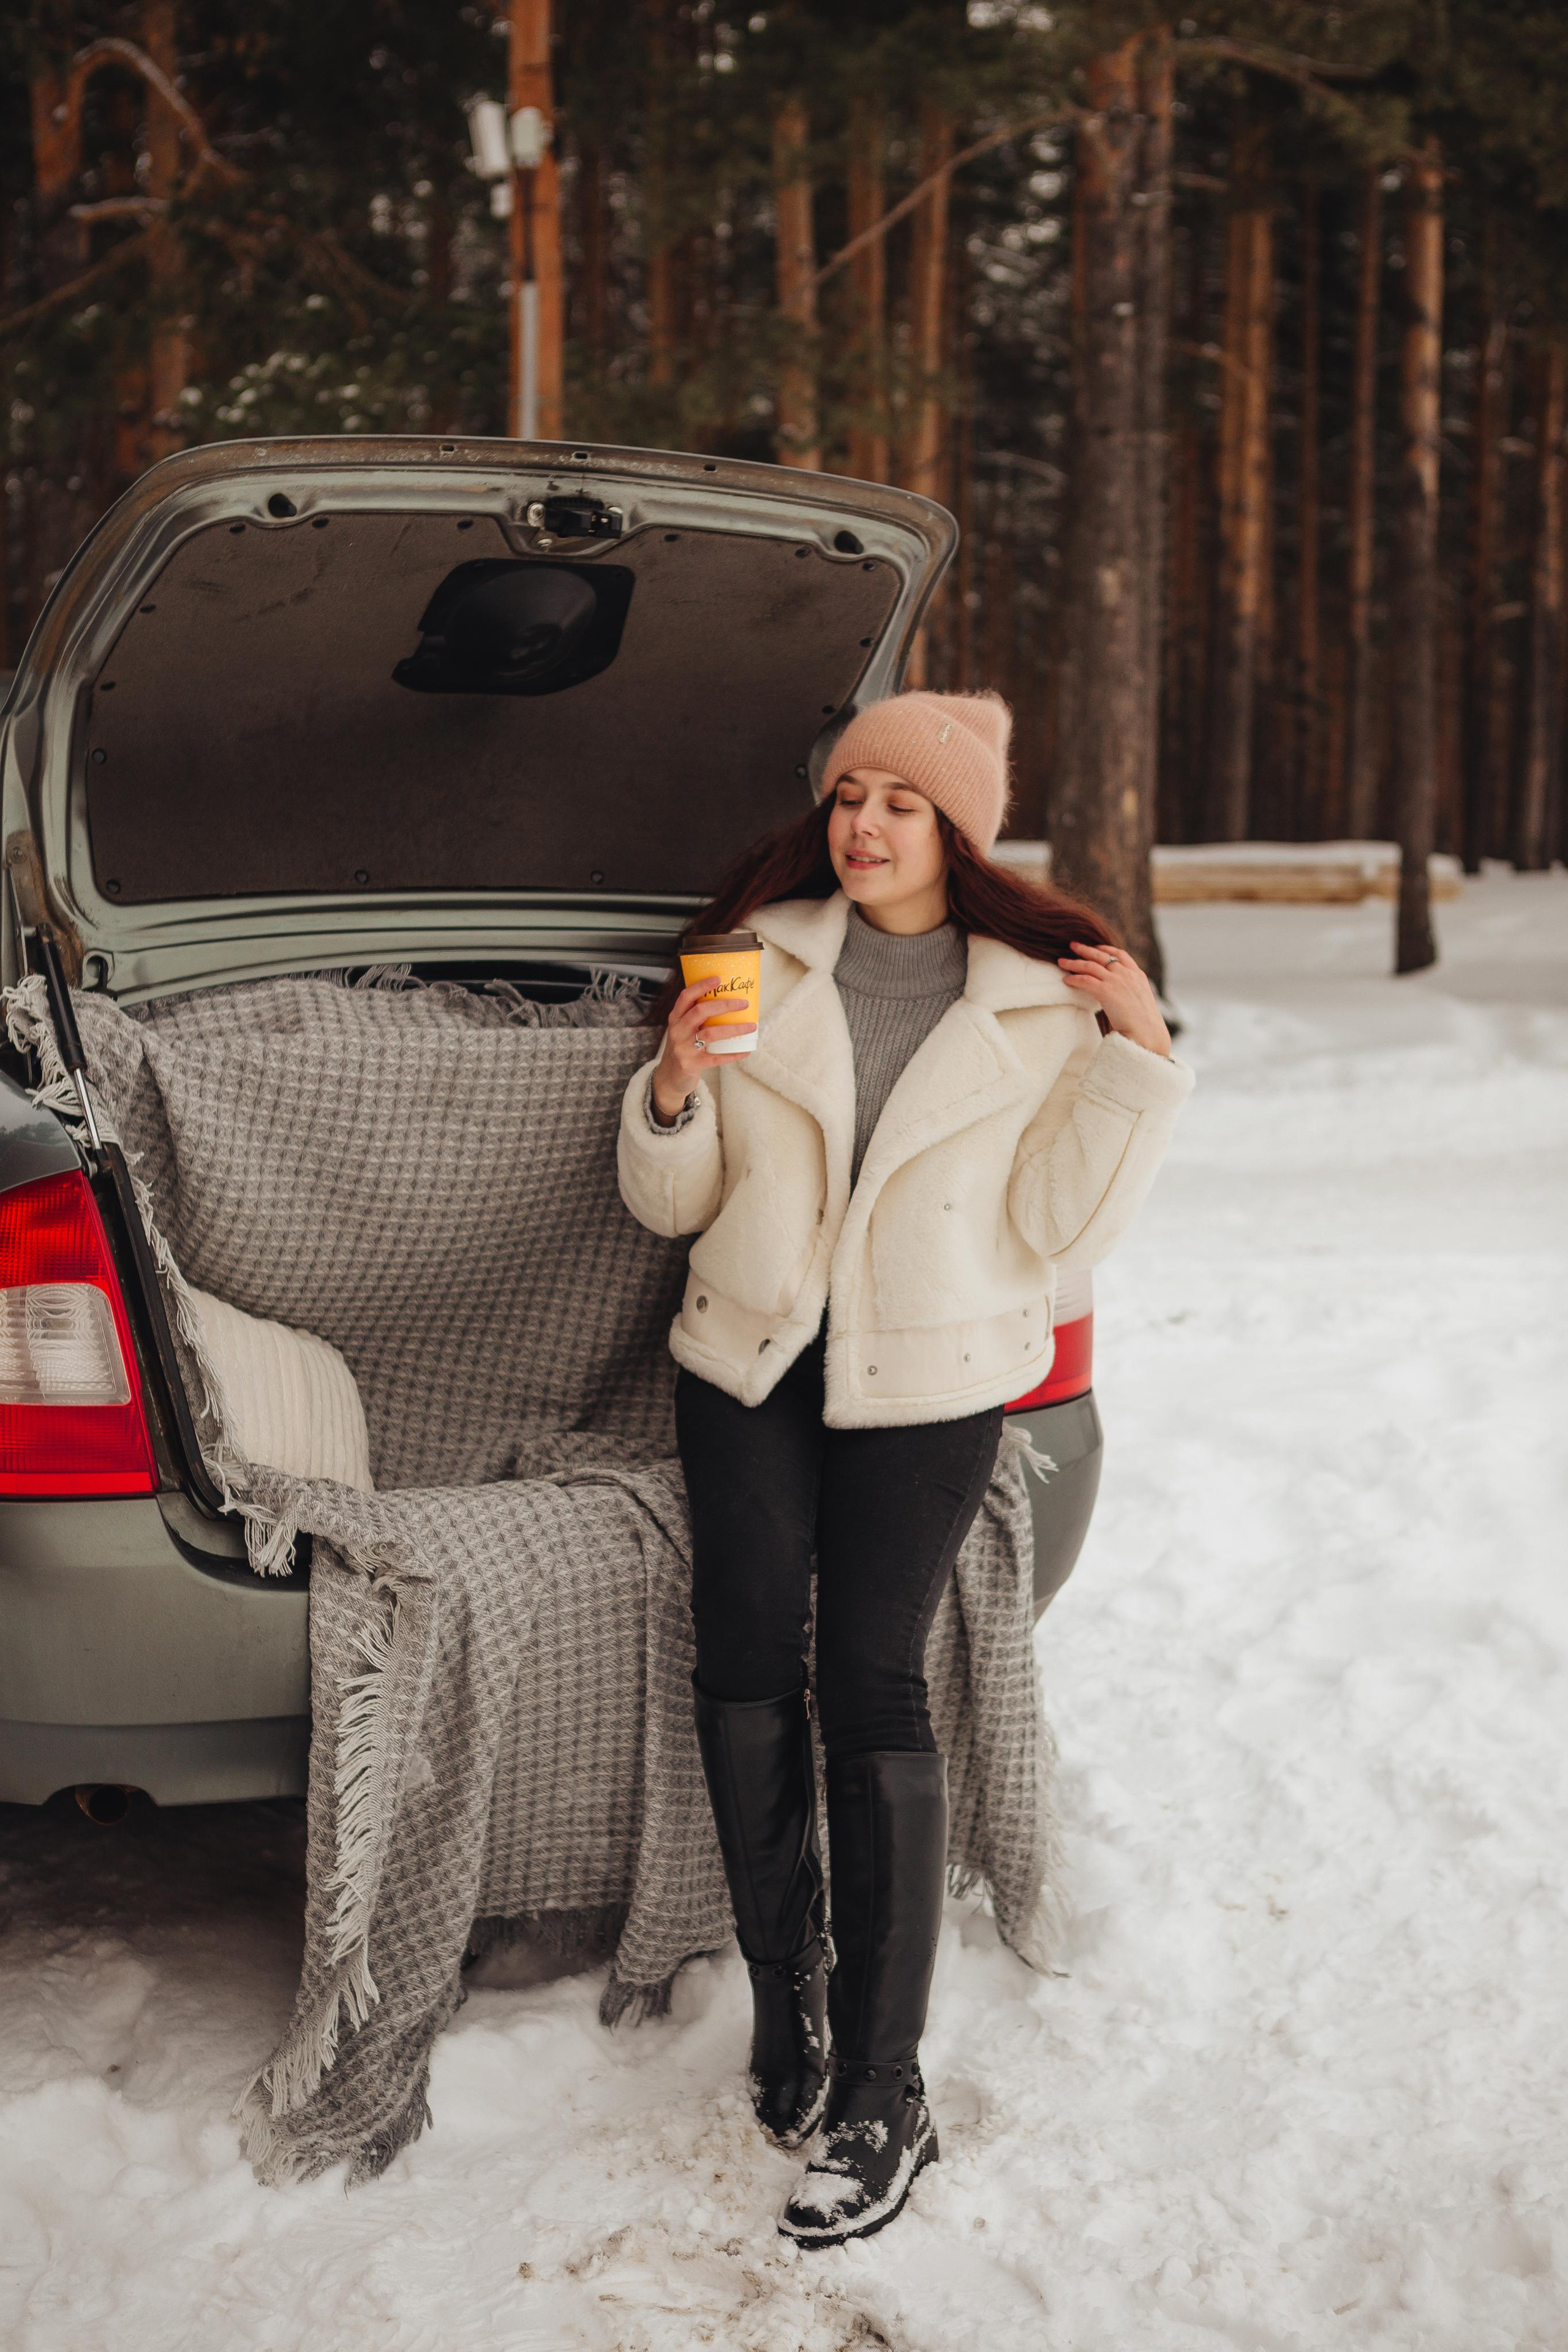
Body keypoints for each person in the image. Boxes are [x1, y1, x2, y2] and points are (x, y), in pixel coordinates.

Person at [616, 689, 1196, 2247]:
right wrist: (671, 1087)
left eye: (900, 804)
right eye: (847, 794)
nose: (861, 826)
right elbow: (675, 1203)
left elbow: (1059, 1233)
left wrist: (1134, 1055)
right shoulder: (759, 955)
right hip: (745, 1358)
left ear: (959, 833)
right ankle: (783, 2008)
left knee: (869, 1677)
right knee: (740, 1656)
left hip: (930, 1378)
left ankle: (886, 2087)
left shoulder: (1035, 1000)